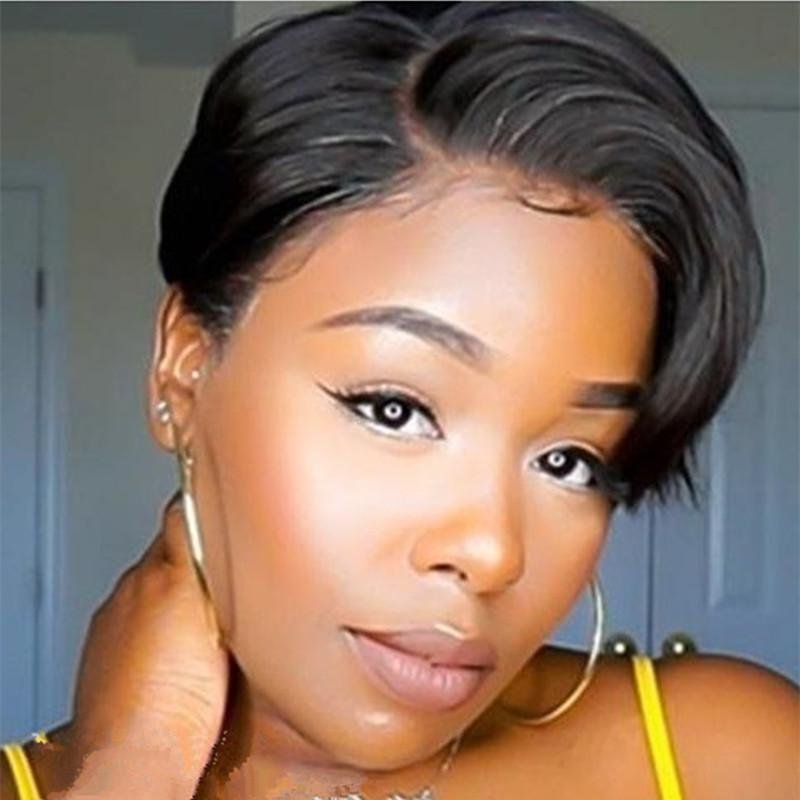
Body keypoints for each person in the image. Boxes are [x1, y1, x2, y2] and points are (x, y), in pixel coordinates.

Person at [2, 2, 798, 798]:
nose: (492, 553)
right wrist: (134, 767)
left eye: (569, 461)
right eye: (395, 410)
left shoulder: (730, 757)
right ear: (184, 366)